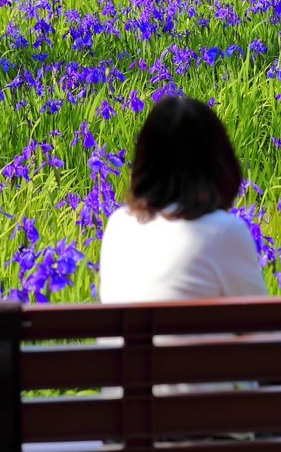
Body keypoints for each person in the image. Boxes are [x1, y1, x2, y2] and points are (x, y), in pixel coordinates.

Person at [99, 94, 266, 306]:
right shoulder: (224, 231)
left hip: (131, 330)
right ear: (218, 161)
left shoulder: (118, 225)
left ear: (144, 159)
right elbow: (260, 322)